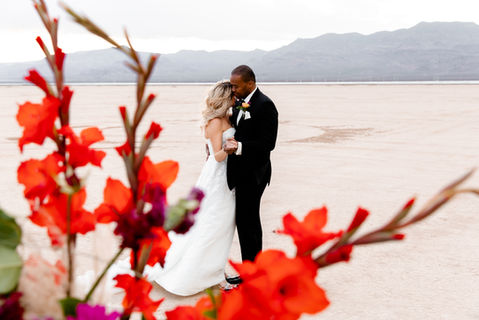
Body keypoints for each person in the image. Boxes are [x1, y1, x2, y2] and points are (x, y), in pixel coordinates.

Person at [145, 81, 237, 296]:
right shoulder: (215, 122)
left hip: (225, 179)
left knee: (221, 225)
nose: (236, 98)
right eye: (232, 95)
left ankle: (216, 271)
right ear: (225, 98)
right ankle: (215, 275)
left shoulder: (228, 118)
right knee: (213, 224)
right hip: (217, 178)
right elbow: (217, 156)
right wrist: (229, 147)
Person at [224, 65, 279, 284]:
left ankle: (253, 274)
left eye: (236, 85)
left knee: (249, 223)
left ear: (250, 83)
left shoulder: (265, 105)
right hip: (240, 172)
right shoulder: (239, 103)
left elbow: (268, 144)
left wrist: (238, 147)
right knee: (244, 222)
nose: (233, 89)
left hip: (255, 174)